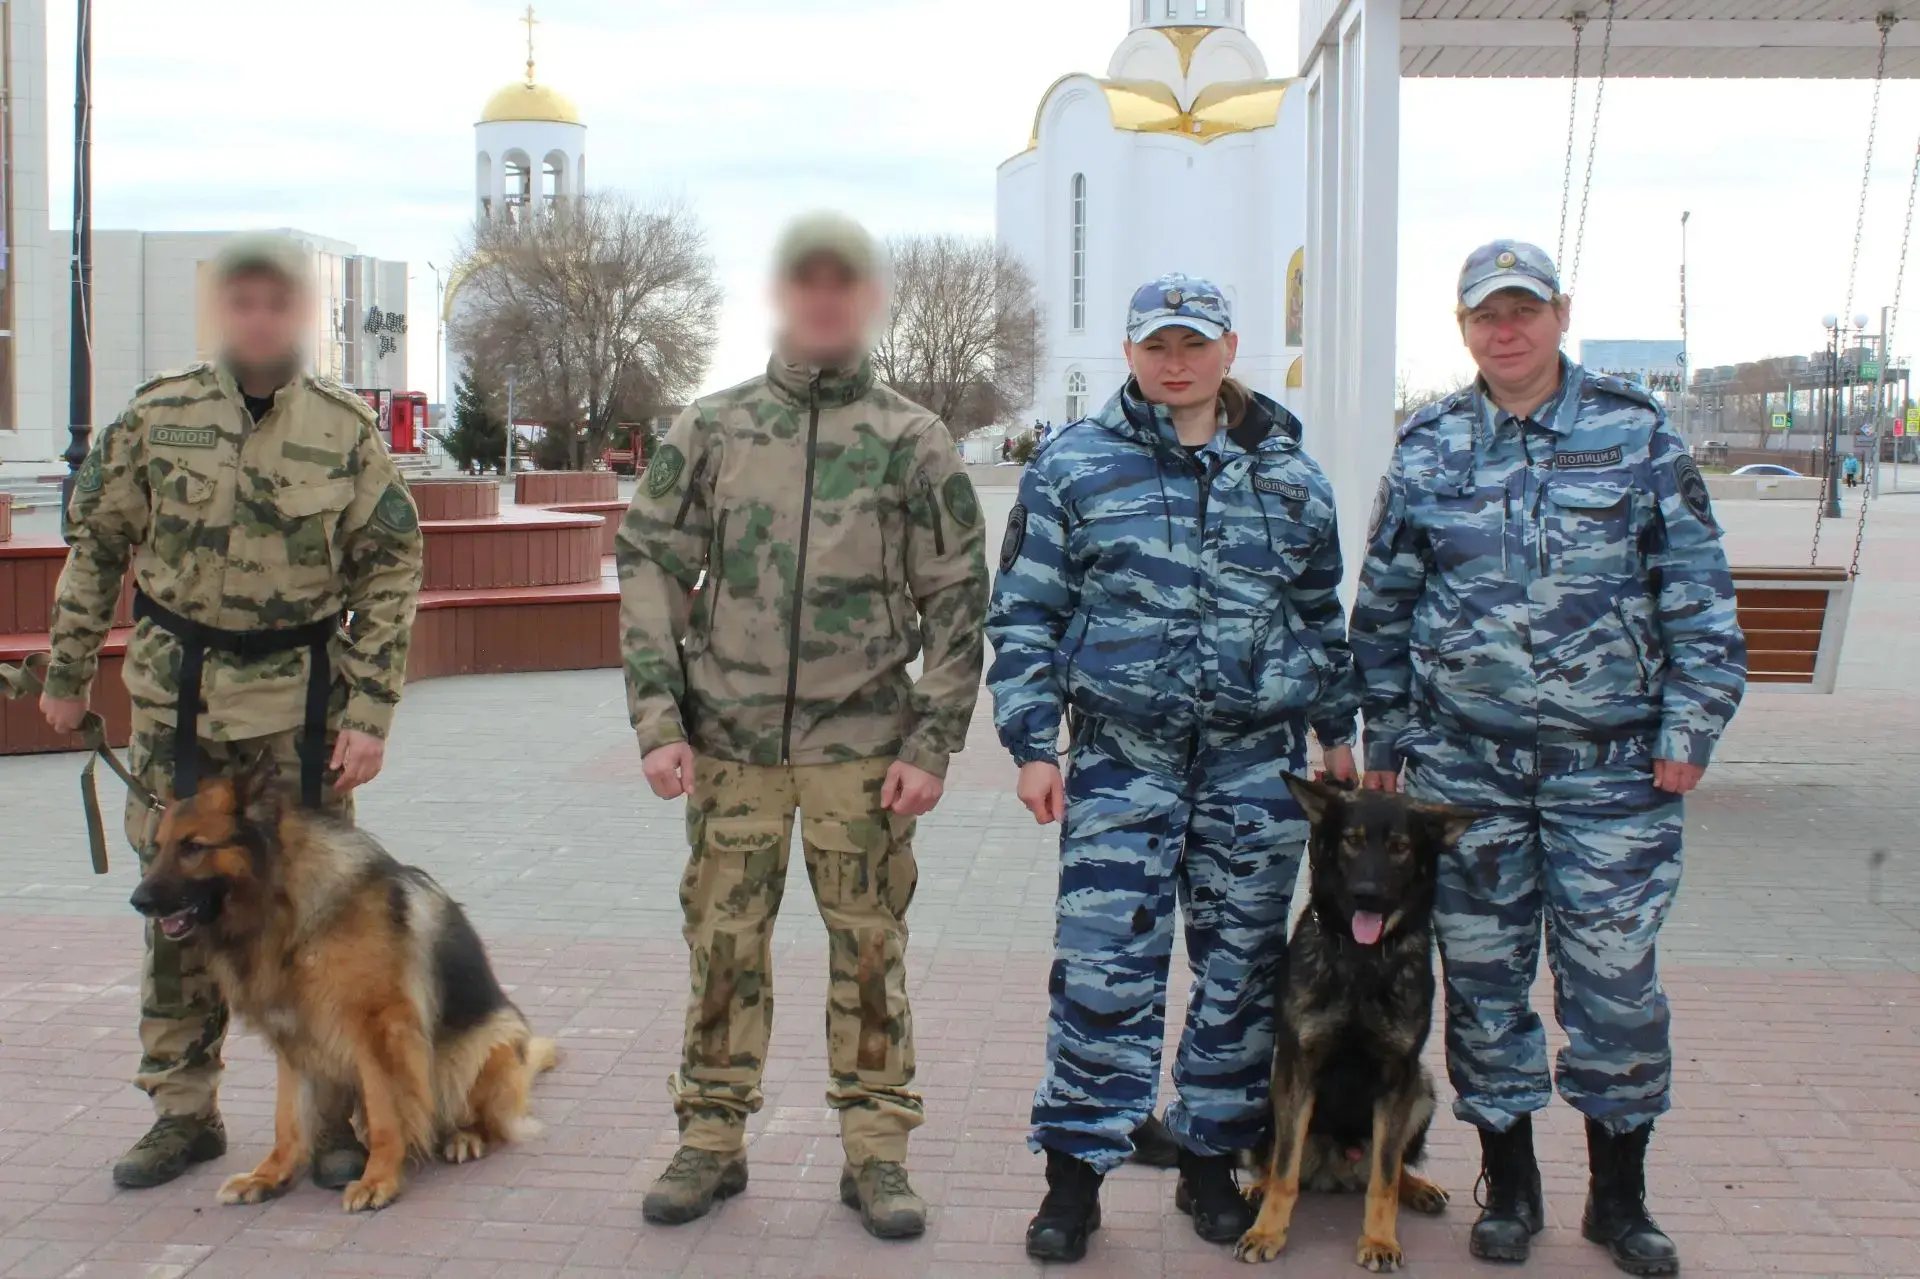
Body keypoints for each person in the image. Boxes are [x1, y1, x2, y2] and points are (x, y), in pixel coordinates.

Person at [1350, 240, 1746, 1276]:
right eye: (1487, 315)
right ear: (1463, 328)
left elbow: (1699, 598)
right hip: (1465, 774)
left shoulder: (1635, 433)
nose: (1506, 330)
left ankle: (1620, 1198)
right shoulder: (1429, 446)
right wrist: (1384, 739)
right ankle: (1511, 1186)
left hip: (1612, 774)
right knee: (1484, 985)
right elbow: (1383, 608)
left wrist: (1690, 731)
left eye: (1523, 310)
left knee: (1615, 988)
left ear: (1561, 314)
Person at [616, 211, 989, 1240]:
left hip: (862, 749)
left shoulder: (912, 440)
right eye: (806, 283)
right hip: (729, 747)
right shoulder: (714, 429)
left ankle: (876, 1149)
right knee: (722, 944)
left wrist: (932, 741)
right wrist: (658, 716)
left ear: (868, 301)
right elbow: (649, 562)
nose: (824, 302)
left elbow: (959, 597)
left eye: (844, 284)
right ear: (780, 297)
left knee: (869, 948)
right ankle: (710, 1135)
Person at [37, 233, 425, 1190]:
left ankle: (331, 1120)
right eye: (241, 303)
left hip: (297, 713)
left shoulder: (344, 429)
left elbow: (389, 567)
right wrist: (67, 669)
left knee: (320, 918)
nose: (258, 321)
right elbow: (97, 543)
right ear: (220, 314)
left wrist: (371, 709)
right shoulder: (158, 415)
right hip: (180, 708)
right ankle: (183, 1112)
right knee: (176, 905)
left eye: (276, 304)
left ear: (299, 317)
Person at [987, 274, 1361, 1264]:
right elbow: (1025, 615)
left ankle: (1209, 1161)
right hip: (1124, 759)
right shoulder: (1074, 467)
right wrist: (1032, 744)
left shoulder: (1290, 476)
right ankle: (1075, 1176)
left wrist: (1338, 733)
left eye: (1194, 343)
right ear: (1130, 353)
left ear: (1230, 349)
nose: (1176, 362)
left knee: (1242, 973)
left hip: (1256, 766)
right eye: (1157, 345)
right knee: (1102, 970)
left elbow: (1319, 615)